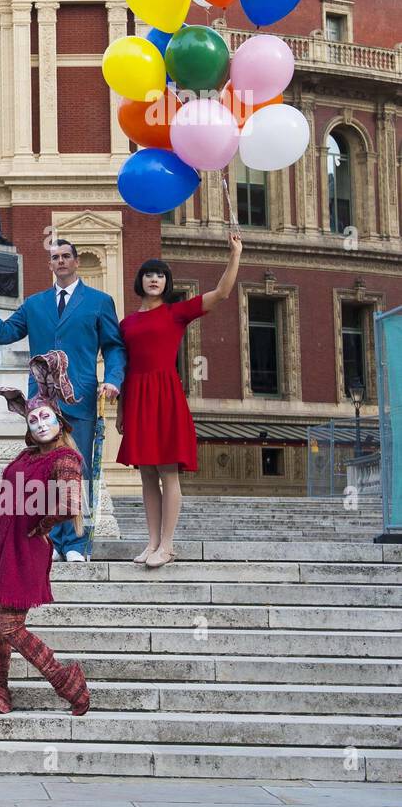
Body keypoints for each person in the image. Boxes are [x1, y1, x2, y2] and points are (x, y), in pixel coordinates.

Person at [0, 238, 126, 561]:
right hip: (41, 404)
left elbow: (114, 346)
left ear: (77, 262)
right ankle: (49, 540)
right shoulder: (35, 304)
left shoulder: (99, 301)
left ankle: (76, 544)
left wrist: (113, 379)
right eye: (55, 258)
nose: (61, 262)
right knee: (43, 472)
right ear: (50, 264)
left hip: (79, 397)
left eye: (66, 256)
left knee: (76, 469)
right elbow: (3, 333)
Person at [0, 350, 91, 717]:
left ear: (58, 419)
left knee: (10, 625)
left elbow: (71, 503)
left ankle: (66, 679)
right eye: (33, 419)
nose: (40, 424)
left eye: (45, 417)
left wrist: (41, 528)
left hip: (24, 549)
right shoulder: (25, 458)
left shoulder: (65, 458)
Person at [119, 233, 243, 568]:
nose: (154, 279)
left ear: (167, 282)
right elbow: (125, 365)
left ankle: (168, 544)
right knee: (146, 473)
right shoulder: (126, 323)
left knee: (167, 471)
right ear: (140, 281)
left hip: (165, 395)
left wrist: (235, 255)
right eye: (149, 274)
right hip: (137, 396)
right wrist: (120, 410)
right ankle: (153, 542)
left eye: (160, 275)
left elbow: (222, 294)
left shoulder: (177, 312)